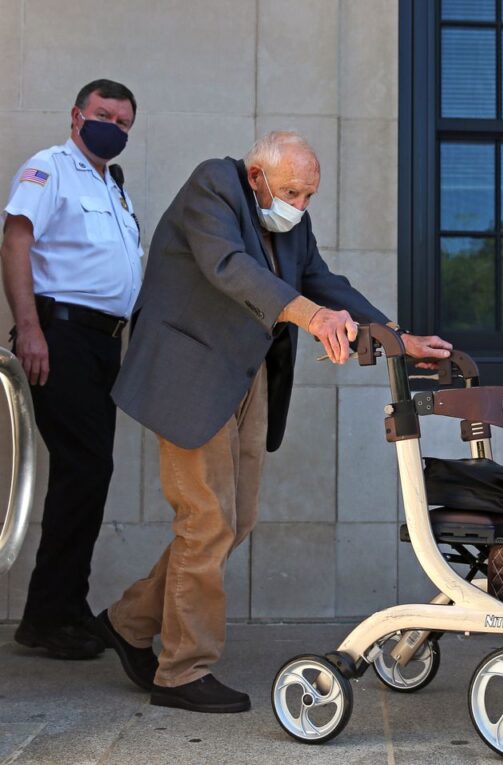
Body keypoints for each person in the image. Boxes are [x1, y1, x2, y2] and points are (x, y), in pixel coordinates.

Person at [95, 131, 452, 714]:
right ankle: (182, 671)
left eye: (309, 195)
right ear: (257, 176)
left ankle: (127, 622)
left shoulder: (292, 224)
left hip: (247, 376)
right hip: (190, 374)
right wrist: (314, 319)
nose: (301, 206)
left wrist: (396, 338)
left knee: (235, 520)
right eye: (292, 191)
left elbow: (323, 283)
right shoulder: (213, 184)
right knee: (206, 520)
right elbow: (229, 267)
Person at [1, 79, 141, 660]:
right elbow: (15, 241)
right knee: (85, 469)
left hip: (102, 346)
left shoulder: (115, 185)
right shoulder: (49, 167)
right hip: (60, 337)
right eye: (104, 114)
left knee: (86, 474)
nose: (114, 125)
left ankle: (60, 608)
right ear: (77, 116)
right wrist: (29, 328)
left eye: (125, 121)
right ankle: (48, 616)